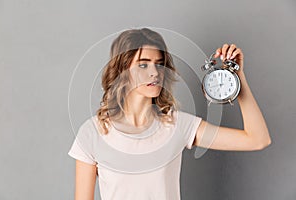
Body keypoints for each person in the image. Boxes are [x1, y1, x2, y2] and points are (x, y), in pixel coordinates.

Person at [68, 28, 272, 200]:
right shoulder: (92, 133)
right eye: (143, 64)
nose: (155, 72)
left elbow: (257, 139)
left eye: (159, 64)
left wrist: (238, 77)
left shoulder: (177, 124)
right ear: (122, 70)